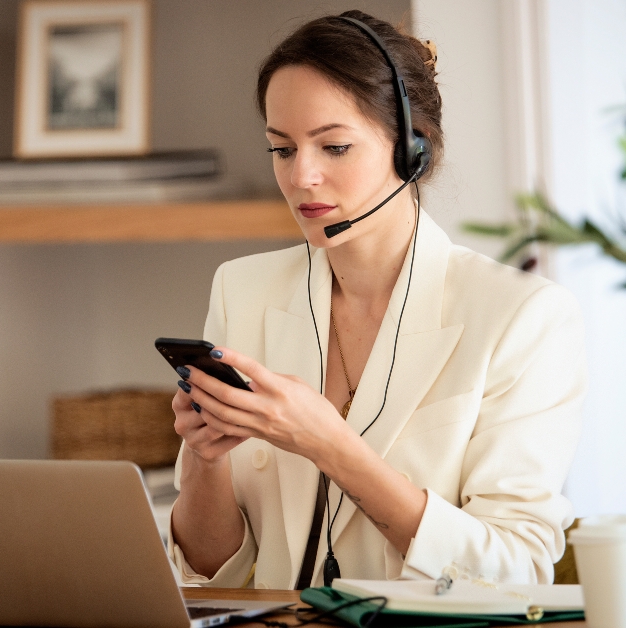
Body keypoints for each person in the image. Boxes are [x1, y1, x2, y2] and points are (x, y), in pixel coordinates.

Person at [167, 10, 586, 591]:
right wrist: (204, 461)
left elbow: (517, 571)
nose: (302, 177)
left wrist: (331, 445)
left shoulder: (523, 316)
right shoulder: (243, 291)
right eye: (282, 149)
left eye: (334, 147)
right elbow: (213, 577)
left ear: (413, 149)